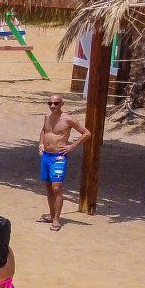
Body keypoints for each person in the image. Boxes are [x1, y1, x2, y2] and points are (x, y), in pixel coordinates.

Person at [38, 94, 89, 231]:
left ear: (62, 104)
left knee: (56, 188)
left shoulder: (68, 119)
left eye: (55, 103)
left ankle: (56, 219)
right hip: (46, 156)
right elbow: (44, 131)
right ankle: (51, 215)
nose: (52, 106)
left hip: (58, 157)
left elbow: (86, 133)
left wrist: (72, 146)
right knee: (48, 187)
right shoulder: (47, 117)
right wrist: (41, 144)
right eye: (50, 103)